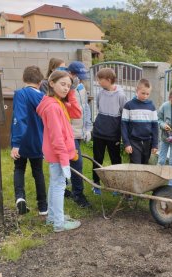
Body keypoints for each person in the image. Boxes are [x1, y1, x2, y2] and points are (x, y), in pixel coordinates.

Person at [36, 70, 82, 232]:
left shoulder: (58, 102)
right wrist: (64, 161)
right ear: (52, 83)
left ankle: (52, 218)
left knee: (54, 184)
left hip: (58, 153)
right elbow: (57, 137)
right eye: (62, 84)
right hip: (58, 154)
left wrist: (72, 93)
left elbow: (77, 113)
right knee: (59, 186)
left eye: (68, 86)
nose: (65, 88)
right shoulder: (52, 107)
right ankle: (59, 223)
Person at [10, 65, 47, 215]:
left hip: (22, 140)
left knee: (19, 168)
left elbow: (20, 118)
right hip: (38, 141)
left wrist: (16, 143)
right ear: (40, 81)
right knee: (38, 172)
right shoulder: (44, 97)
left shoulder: (21, 94)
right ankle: (43, 207)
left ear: (23, 79)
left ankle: (20, 198)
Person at [91, 68, 127, 196]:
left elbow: (123, 113)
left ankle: (116, 186)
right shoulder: (100, 93)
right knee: (97, 158)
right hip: (99, 133)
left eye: (100, 80)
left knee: (115, 159)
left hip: (113, 134)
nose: (98, 82)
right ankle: (96, 184)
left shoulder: (121, 95)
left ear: (109, 80)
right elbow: (99, 108)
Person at [65, 61, 93, 208]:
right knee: (77, 162)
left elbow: (85, 108)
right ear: (70, 74)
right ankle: (78, 194)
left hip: (79, 131)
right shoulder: (65, 88)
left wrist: (88, 127)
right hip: (69, 132)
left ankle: (64, 188)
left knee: (69, 162)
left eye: (82, 77)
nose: (80, 80)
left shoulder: (81, 87)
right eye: (78, 76)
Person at [121, 78, 158, 164]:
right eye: (143, 93)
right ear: (136, 90)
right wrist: (126, 143)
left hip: (147, 142)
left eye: (147, 94)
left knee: (144, 164)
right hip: (133, 141)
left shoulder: (151, 106)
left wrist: (155, 144)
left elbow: (155, 126)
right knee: (136, 165)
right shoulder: (128, 105)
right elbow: (124, 126)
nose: (145, 96)